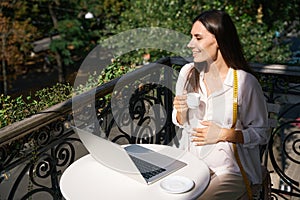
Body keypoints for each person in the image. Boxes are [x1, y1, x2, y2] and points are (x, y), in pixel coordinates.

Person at [172, 10, 269, 199]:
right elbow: (179, 120)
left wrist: (224, 134)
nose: (190, 44)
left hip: (230, 171)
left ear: (218, 40)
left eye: (197, 38)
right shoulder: (188, 73)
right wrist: (181, 113)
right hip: (191, 163)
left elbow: (262, 133)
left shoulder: (244, 83)